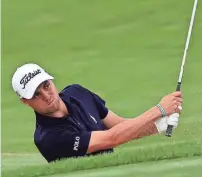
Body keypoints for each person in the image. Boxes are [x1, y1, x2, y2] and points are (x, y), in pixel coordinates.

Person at [11, 63, 183, 163]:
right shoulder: (48, 138)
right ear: (25, 102)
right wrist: (159, 110)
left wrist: (158, 125)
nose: (46, 95)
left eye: (46, 86)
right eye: (36, 95)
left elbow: (121, 126)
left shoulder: (77, 93)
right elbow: (112, 138)